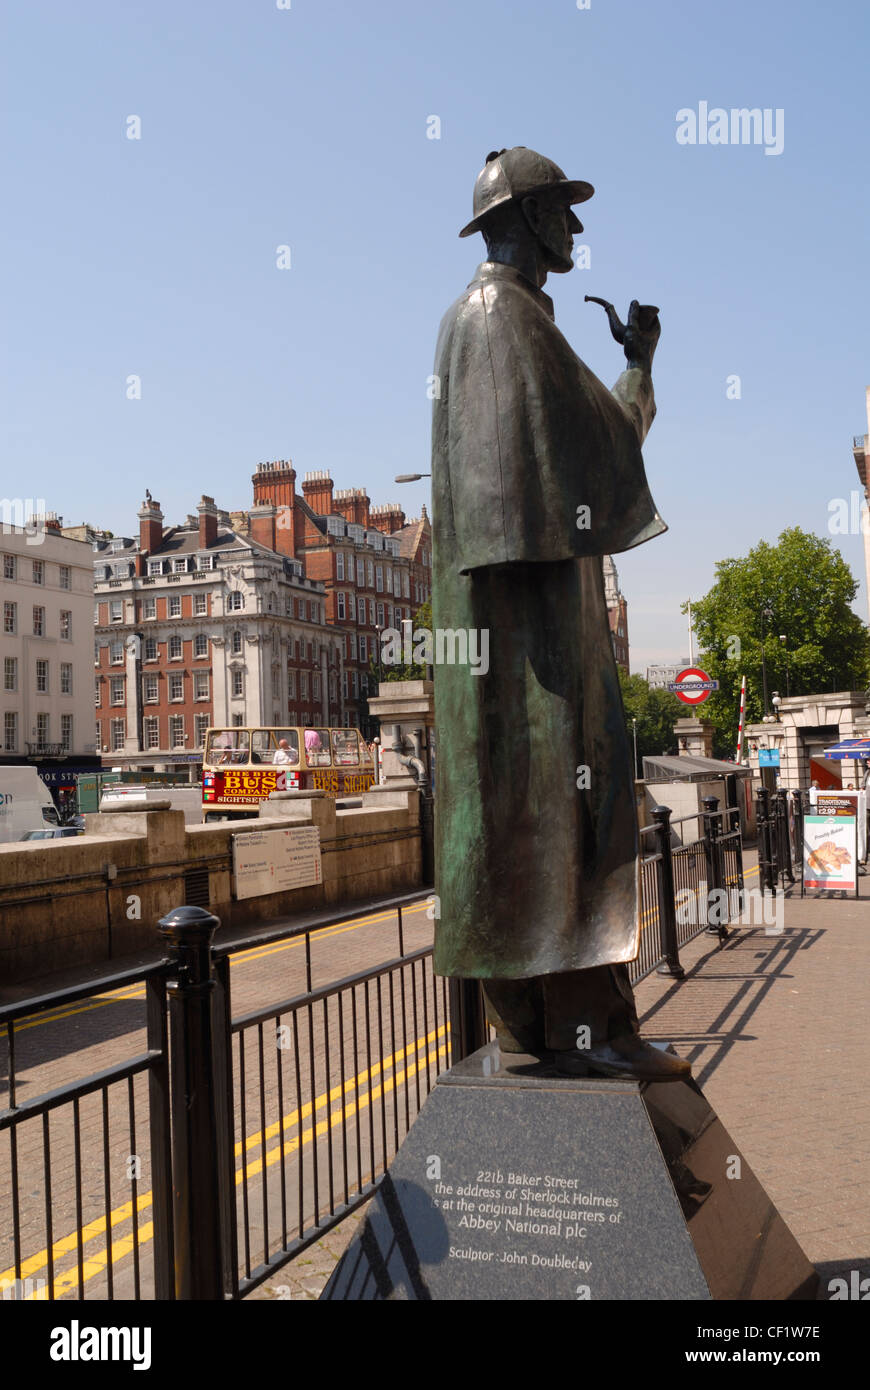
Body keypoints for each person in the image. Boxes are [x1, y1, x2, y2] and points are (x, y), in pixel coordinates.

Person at [431, 147, 688, 1082]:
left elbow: (592, 451)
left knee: (536, 815)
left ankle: (558, 1027)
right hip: (528, 627)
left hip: (526, 614)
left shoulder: (500, 322)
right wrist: (638, 373)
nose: (577, 231)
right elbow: (584, 461)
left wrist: (635, 367)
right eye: (565, 213)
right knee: (557, 805)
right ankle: (575, 1030)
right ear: (532, 218)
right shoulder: (500, 319)